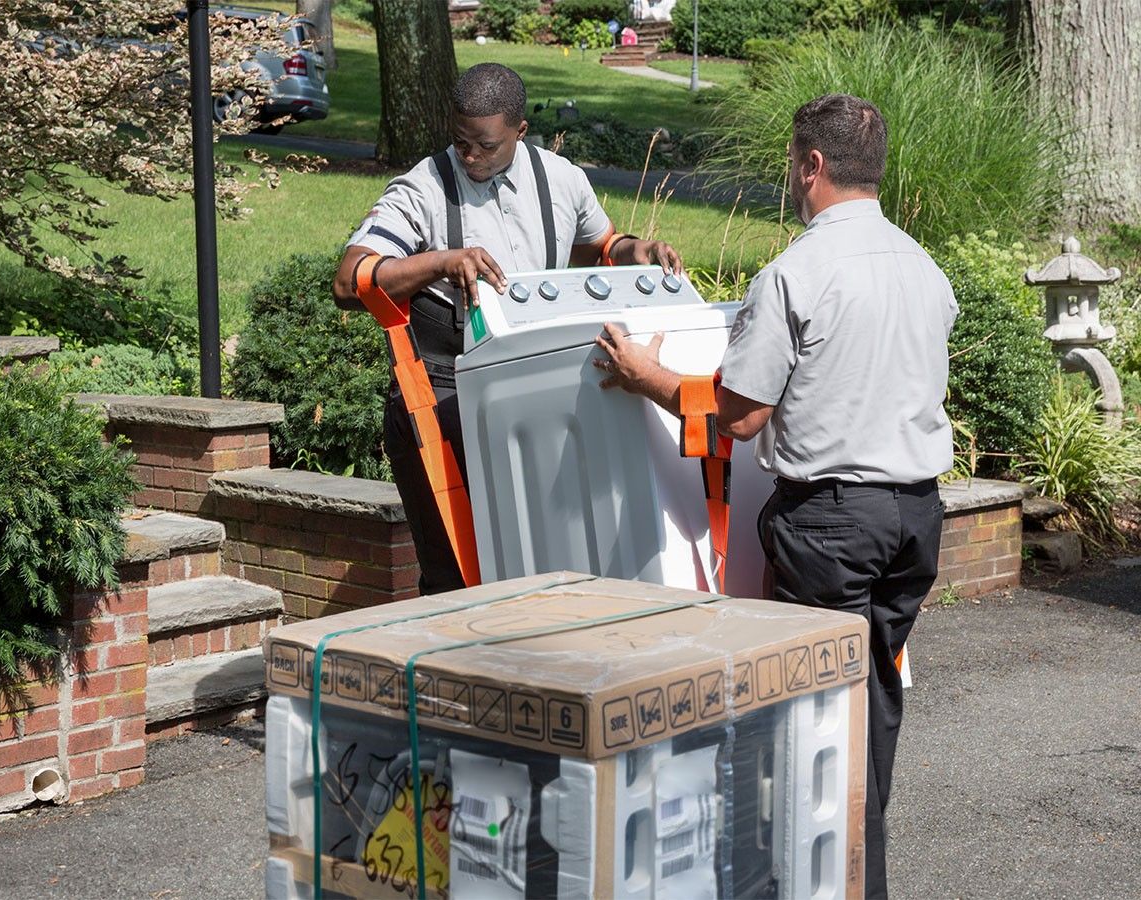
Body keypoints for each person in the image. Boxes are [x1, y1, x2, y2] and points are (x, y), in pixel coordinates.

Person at [593, 93, 957, 898]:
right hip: (916, 520)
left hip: (832, 526)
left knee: (809, 722)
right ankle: (862, 880)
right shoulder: (922, 266)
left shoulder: (798, 272)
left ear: (812, 166)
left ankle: (812, 883)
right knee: (869, 709)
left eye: (795, 166)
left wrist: (643, 374)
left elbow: (744, 417)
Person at [333, 62, 683, 595]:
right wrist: (440, 261)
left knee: (534, 567)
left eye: (485, 145)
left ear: (520, 132)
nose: (469, 155)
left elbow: (602, 245)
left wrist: (642, 251)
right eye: (460, 142)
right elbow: (349, 279)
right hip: (440, 398)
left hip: (536, 396)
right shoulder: (424, 187)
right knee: (457, 575)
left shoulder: (561, 179)